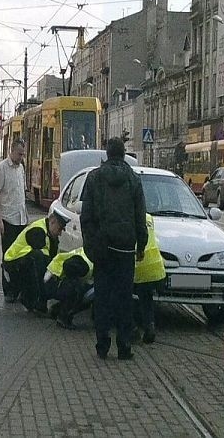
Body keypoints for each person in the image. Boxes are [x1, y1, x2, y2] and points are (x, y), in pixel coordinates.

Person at [80, 137, 148, 360]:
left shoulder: (94, 178)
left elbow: (86, 216)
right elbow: (140, 215)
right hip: (126, 248)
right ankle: (124, 346)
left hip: (102, 246)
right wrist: (141, 244)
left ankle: (102, 345)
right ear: (124, 154)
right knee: (124, 298)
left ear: (107, 154)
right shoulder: (133, 179)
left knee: (102, 297)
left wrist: (90, 244)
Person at [3, 212, 68, 312]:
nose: (60, 233)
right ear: (53, 222)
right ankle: (32, 300)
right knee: (38, 259)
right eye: (59, 229)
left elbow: (52, 260)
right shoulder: (38, 231)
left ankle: (31, 297)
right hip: (13, 265)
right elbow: (43, 265)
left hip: (22, 263)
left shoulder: (50, 235)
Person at [0, 139, 28, 303]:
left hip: (22, 218)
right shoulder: (2, 168)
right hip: (8, 219)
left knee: (22, 256)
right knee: (8, 257)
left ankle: (19, 288)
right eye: (19, 154)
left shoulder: (21, 168)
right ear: (12, 151)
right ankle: (8, 290)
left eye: (23, 154)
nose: (21, 157)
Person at [133, 213, 166, 344]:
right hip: (156, 265)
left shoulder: (130, 216)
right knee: (147, 299)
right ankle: (149, 326)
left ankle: (132, 329)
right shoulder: (149, 217)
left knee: (124, 297)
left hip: (138, 263)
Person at [43, 247, 94, 330]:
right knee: (83, 295)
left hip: (50, 282)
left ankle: (57, 310)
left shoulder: (80, 254)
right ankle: (63, 317)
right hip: (55, 285)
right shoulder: (86, 264)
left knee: (75, 289)